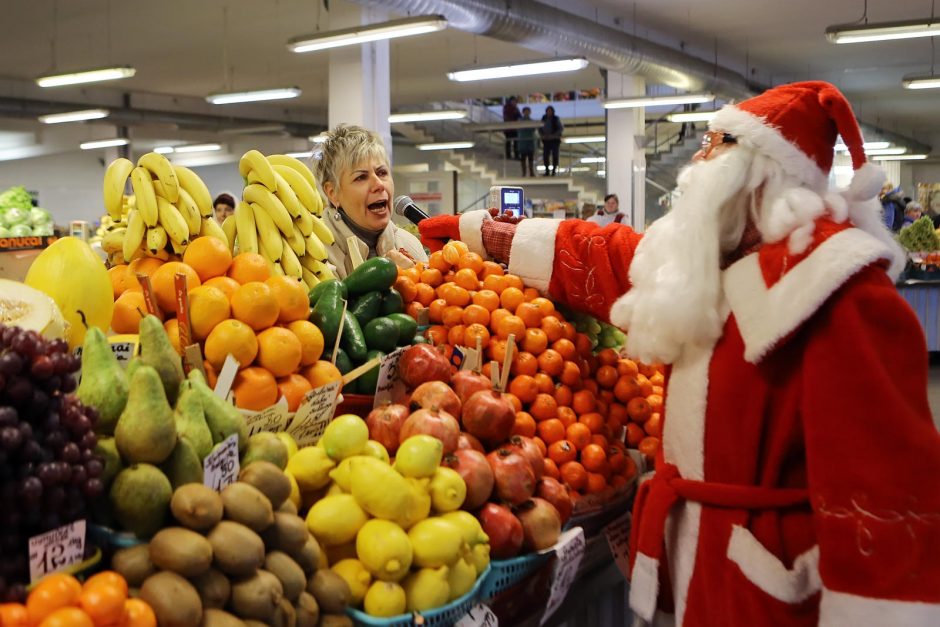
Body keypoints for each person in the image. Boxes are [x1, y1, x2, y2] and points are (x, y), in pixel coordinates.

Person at [419, 81, 940, 626]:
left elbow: (887, 513)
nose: (698, 155)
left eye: (715, 142)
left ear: (758, 170)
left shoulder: (842, 297)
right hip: (700, 563)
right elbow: (605, 254)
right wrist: (483, 233)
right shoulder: (718, 258)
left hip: (770, 591)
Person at [313, 124, 427, 279]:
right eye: (361, 177)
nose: (379, 184)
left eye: (382, 173)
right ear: (333, 193)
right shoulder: (315, 252)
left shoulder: (409, 244)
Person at [539, 105, 563, 176]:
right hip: (546, 140)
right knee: (545, 156)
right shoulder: (543, 119)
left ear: (553, 112)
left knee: (555, 155)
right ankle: (547, 171)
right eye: (548, 111)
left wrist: (553, 135)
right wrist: (543, 135)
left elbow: (560, 128)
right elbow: (540, 128)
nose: (549, 112)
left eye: (550, 111)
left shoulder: (556, 119)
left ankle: (554, 171)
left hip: (554, 140)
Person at [516, 106, 537, 177]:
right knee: (523, 158)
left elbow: (533, 130)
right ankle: (524, 172)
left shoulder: (532, 121)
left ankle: (531, 172)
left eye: (528, 111)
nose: (526, 113)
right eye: (525, 111)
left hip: (530, 142)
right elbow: (519, 129)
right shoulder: (520, 121)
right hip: (523, 142)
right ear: (523, 112)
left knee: (531, 158)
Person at [502, 96, 520, 160]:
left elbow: (519, 116)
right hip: (509, 128)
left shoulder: (515, 108)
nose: (515, 102)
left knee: (515, 142)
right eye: (514, 101)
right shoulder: (508, 108)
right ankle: (508, 155)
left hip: (514, 128)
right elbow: (508, 117)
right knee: (509, 142)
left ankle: (515, 155)